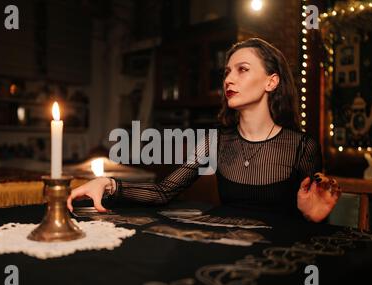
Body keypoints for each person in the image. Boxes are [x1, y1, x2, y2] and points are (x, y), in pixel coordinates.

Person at [67, 38, 341, 223]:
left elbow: (312, 219)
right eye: (226, 72)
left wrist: (311, 217)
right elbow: (163, 192)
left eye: (242, 69)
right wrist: (109, 185)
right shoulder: (214, 142)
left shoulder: (302, 146)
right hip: (223, 254)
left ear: (271, 82)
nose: (229, 79)